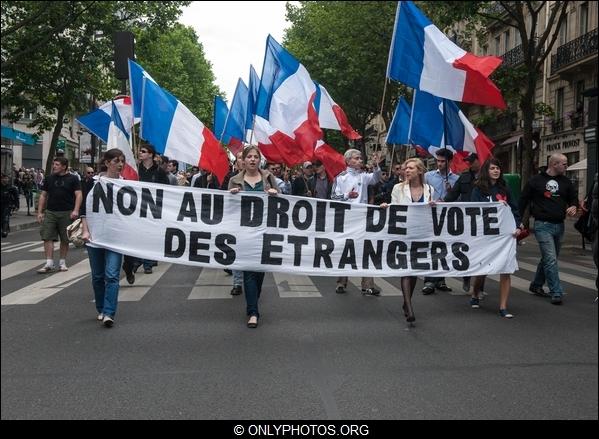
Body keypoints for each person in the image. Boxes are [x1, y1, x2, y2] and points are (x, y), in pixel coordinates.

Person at [228, 146, 280, 328]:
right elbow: (229, 209)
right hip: (244, 235)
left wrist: (275, 195)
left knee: (259, 273)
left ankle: (253, 301)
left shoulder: (268, 178)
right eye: (248, 156)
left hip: (265, 233)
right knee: (249, 271)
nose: (251, 160)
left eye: (255, 157)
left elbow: (282, 204)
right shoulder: (234, 180)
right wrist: (232, 196)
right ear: (243, 160)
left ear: (259, 160)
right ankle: (253, 312)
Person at [380, 158, 434, 324]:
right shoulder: (398, 188)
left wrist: (434, 205)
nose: (407, 171)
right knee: (405, 269)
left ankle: (406, 302)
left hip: (421, 234)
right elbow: (395, 207)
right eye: (405, 168)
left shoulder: (429, 189)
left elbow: (433, 213)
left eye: (411, 168)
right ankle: (409, 307)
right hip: (403, 233)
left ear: (420, 171)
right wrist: (386, 207)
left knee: (415, 270)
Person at [519, 153, 578, 305]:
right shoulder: (535, 181)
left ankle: (536, 285)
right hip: (542, 225)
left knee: (548, 258)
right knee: (551, 259)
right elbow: (523, 200)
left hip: (560, 225)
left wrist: (573, 206)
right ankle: (556, 291)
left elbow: (573, 198)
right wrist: (518, 221)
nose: (566, 166)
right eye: (564, 164)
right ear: (554, 164)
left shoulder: (566, 182)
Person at [470, 158, 522, 318]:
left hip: (505, 236)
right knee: (483, 269)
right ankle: (475, 293)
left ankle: (503, 307)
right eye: (492, 168)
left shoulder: (504, 188)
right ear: (487, 170)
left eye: (498, 168)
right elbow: (473, 211)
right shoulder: (478, 189)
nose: (496, 171)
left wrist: (518, 226)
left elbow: (514, 209)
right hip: (486, 235)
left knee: (505, 269)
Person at [80, 149, 127, 327]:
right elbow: (85, 208)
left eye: (122, 161)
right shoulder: (92, 182)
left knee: (112, 275)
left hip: (116, 237)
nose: (120, 164)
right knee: (98, 276)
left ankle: (109, 312)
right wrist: (85, 230)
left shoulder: (127, 184)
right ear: (107, 163)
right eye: (116, 161)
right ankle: (101, 308)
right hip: (95, 236)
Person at [331, 149, 383, 296]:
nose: (360, 160)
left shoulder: (364, 176)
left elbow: (376, 178)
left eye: (361, 158)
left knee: (366, 249)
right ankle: (341, 281)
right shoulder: (341, 177)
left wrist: (376, 166)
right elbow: (334, 196)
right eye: (357, 158)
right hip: (347, 218)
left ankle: (368, 285)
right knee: (345, 249)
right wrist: (348, 195)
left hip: (363, 218)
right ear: (348, 161)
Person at [36, 156, 82, 273]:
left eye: (57, 165)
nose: (54, 166)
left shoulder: (73, 179)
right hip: (50, 211)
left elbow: (78, 195)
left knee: (65, 239)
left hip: (67, 212)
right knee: (47, 236)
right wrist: (40, 212)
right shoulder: (49, 178)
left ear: (64, 166)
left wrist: (76, 210)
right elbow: (43, 195)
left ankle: (62, 262)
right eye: (54, 164)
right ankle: (49, 263)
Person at [422, 148, 459, 295]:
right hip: (431, 217)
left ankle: (441, 279)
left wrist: (451, 193)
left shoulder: (456, 179)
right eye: (438, 160)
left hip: (448, 217)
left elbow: (460, 200)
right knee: (432, 247)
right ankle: (429, 280)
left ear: (449, 162)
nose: (439, 163)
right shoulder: (428, 176)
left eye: (443, 161)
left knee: (444, 248)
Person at [444, 152, 481, 294]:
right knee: (468, 250)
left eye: (472, 161)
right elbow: (453, 195)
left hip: (483, 221)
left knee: (481, 252)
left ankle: (479, 287)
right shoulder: (464, 177)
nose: (469, 164)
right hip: (467, 220)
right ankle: (467, 277)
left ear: (479, 161)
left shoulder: (487, 177)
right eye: (468, 161)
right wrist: (443, 202)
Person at [1, 174, 19, 238]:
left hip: (7, 205)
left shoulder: (11, 188)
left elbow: (16, 197)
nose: (5, 180)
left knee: (5, 218)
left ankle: (4, 230)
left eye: (6, 178)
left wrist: (17, 206)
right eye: (3, 178)